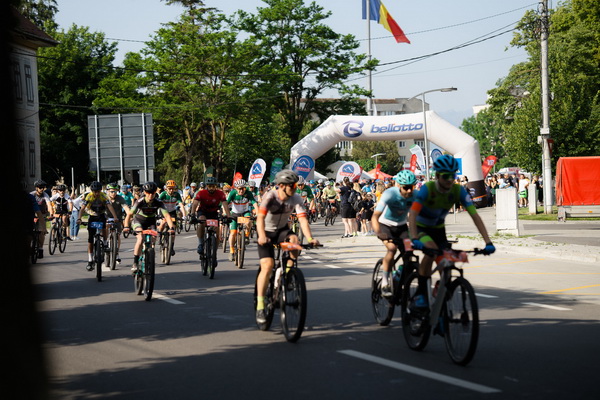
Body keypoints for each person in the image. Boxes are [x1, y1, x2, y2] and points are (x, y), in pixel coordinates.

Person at [408, 155, 495, 310]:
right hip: (421, 228)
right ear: (437, 175)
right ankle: (421, 294)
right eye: (445, 176)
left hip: (438, 230)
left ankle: (440, 293)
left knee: (446, 264)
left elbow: (475, 216)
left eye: (452, 176)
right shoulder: (427, 189)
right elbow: (413, 214)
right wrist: (414, 238)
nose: (449, 180)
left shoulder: (458, 190)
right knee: (431, 251)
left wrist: (488, 242)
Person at [255, 170, 320, 324]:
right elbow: (260, 218)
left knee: (295, 240)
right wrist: (262, 236)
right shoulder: (270, 196)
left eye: (296, 185)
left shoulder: (296, 198)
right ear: (282, 186)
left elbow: (303, 220)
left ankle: (288, 273)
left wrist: (310, 238)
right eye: (292, 185)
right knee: (267, 266)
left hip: (282, 230)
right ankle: (260, 305)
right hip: (266, 231)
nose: (295, 188)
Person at [371, 170, 416, 297]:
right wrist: (379, 233)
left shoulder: (415, 195)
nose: (409, 191)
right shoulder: (390, 194)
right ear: (399, 186)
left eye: (411, 187)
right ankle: (385, 283)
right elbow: (375, 216)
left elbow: (415, 216)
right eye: (406, 188)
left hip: (401, 227)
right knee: (392, 249)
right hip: (385, 225)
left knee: (409, 252)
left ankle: (399, 275)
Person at [123, 182, 175, 271]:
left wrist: (171, 228)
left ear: (155, 193)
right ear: (144, 192)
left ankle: (149, 255)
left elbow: (167, 216)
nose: (150, 195)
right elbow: (130, 214)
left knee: (153, 240)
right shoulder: (140, 201)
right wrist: (126, 226)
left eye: (153, 193)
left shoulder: (158, 202)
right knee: (140, 238)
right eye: (148, 192)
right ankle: (135, 262)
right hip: (139, 221)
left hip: (151, 222)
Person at [77, 181, 119, 271]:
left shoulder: (103, 196)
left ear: (100, 190)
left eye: (98, 191)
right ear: (92, 191)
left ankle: (105, 243)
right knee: (90, 239)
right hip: (92, 215)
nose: (96, 193)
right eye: (95, 191)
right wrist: (79, 218)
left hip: (101, 214)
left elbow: (109, 206)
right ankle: (90, 260)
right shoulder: (89, 196)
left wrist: (115, 217)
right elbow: (82, 208)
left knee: (104, 227)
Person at [191, 176, 231, 256]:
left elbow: (225, 204)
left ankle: (214, 253)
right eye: (210, 186)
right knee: (201, 222)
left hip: (213, 213)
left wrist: (228, 216)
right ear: (207, 186)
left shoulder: (220, 193)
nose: (211, 188)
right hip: (203, 211)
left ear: (216, 186)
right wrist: (192, 214)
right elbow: (195, 203)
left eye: (213, 186)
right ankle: (200, 244)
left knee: (217, 231)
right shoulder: (201, 193)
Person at [227, 179, 257, 263]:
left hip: (244, 212)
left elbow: (254, 203)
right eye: (239, 189)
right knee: (233, 233)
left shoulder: (248, 193)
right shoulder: (232, 193)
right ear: (236, 188)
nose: (241, 190)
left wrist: (258, 213)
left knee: (249, 221)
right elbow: (225, 203)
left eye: (243, 188)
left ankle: (246, 235)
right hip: (235, 214)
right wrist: (225, 213)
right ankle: (232, 251)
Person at [158, 180, 186, 257]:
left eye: (172, 188)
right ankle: (160, 236)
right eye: (169, 188)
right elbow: (158, 203)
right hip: (164, 211)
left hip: (172, 212)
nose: (171, 190)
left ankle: (171, 246)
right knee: (163, 223)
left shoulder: (177, 195)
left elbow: (181, 205)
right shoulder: (163, 194)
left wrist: (184, 215)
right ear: (166, 188)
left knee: (173, 229)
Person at [106, 183, 130, 263]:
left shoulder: (120, 198)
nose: (114, 193)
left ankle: (116, 252)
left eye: (115, 191)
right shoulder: (105, 198)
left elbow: (126, 208)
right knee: (105, 228)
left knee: (118, 235)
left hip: (117, 219)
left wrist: (129, 214)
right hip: (106, 218)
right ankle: (105, 242)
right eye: (112, 191)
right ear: (108, 191)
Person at [30, 180, 52, 259]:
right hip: (32, 214)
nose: (42, 189)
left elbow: (49, 205)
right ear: (36, 188)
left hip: (42, 214)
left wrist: (51, 214)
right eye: (40, 187)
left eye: (43, 187)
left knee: (42, 232)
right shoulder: (31, 195)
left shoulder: (45, 195)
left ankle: (40, 249)